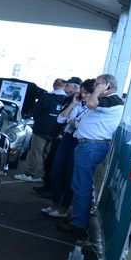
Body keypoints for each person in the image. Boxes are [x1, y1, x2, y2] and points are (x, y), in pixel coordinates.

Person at [57, 74, 124, 236]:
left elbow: (92, 103)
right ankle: (78, 218)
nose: (94, 87)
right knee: (80, 184)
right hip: (88, 145)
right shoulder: (106, 101)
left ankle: (79, 223)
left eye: (98, 84)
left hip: (92, 146)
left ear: (108, 85)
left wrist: (99, 90)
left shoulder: (113, 100)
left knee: (82, 185)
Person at [44, 80, 90, 219]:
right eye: (82, 92)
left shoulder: (93, 109)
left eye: (86, 93)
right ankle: (56, 203)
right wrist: (73, 104)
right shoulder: (77, 104)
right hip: (66, 138)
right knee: (54, 173)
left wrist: (71, 121)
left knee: (69, 176)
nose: (83, 95)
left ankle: (63, 207)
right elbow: (60, 119)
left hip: (78, 140)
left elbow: (80, 125)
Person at [16, 78, 66, 182]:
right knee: (48, 154)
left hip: (42, 128)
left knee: (35, 152)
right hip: (56, 130)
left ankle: (29, 174)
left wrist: (38, 121)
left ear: (53, 85)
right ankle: (45, 175)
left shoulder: (46, 97)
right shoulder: (67, 100)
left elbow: (36, 111)